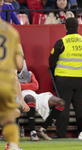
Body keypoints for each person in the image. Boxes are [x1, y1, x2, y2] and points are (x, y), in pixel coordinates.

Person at [49, 17, 82, 138]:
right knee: (81, 106)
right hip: (81, 79)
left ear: (65, 27)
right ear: (78, 27)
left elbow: (51, 60)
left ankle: (60, 134)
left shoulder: (61, 42)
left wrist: (55, 74)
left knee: (63, 106)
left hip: (63, 79)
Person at [0, 1, 23, 149]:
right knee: (13, 112)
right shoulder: (11, 32)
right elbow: (20, 65)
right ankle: (11, 145)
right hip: (4, 83)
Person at [18, 70, 65, 141]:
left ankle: (42, 130)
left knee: (61, 103)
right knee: (30, 98)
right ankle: (33, 132)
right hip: (17, 96)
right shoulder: (7, 74)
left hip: (33, 94)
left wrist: (19, 85)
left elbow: (36, 86)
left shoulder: (29, 73)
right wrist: (27, 85)